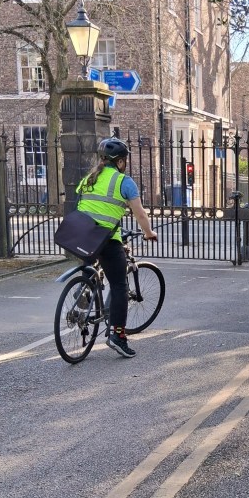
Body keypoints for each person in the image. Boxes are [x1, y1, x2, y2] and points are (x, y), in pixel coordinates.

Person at [76, 137, 157, 358]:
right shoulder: (124, 181)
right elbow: (140, 213)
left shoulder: (88, 179)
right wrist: (149, 233)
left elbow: (84, 205)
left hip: (82, 236)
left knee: (90, 269)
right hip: (107, 238)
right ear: (120, 162)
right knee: (120, 285)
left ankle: (82, 297)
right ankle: (117, 336)